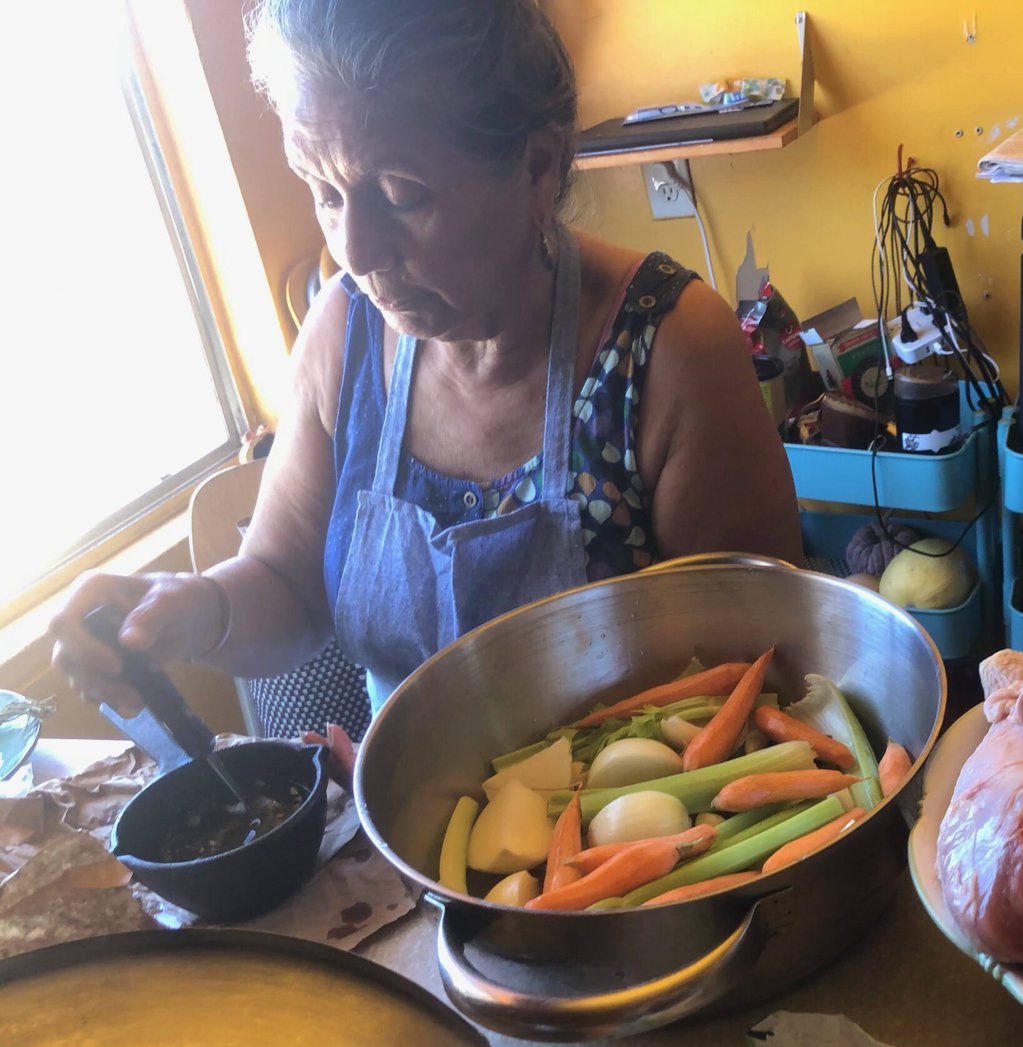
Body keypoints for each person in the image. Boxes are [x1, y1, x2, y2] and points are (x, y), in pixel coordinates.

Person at [51, 0, 804, 718]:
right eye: (324, 193)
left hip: (638, 836)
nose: (355, 251)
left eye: (399, 194)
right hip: (402, 841)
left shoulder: (665, 353)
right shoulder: (342, 334)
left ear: (539, 168)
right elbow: (288, 582)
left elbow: (758, 675)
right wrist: (194, 610)